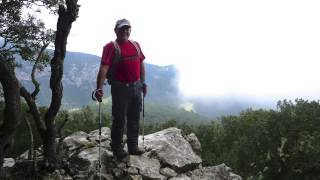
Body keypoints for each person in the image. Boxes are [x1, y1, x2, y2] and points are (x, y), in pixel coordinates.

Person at [94, 19, 147, 158]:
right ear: (115, 30)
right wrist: (99, 88)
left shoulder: (136, 45)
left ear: (130, 30)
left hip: (136, 86)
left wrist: (143, 83)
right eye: (122, 28)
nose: (125, 31)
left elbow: (141, 63)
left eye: (127, 28)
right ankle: (117, 148)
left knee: (134, 117)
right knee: (119, 119)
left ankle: (133, 146)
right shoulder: (110, 47)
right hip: (120, 89)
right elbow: (104, 68)